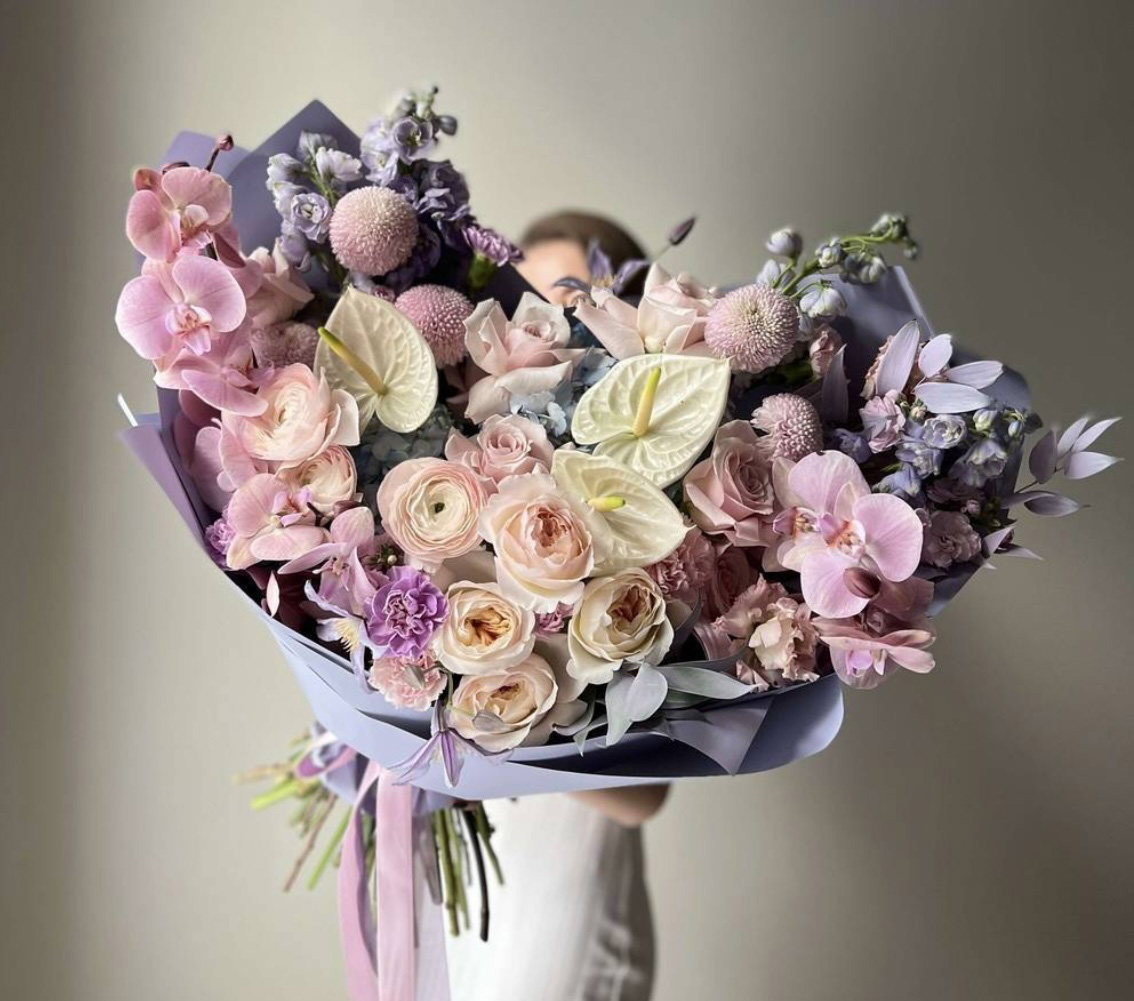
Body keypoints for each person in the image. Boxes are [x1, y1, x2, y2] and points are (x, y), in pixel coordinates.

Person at [445, 212, 667, 1001]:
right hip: (450, 903)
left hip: (561, 906)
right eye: (527, 299)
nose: (545, 326)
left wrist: (484, 720)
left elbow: (644, 795)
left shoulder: (642, 515)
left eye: (572, 303)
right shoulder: (456, 471)